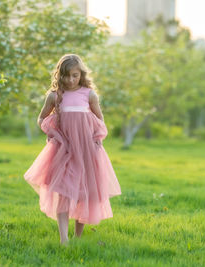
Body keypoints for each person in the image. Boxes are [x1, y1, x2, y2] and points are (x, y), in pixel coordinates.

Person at [23, 54, 122, 245]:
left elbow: (99, 120)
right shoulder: (54, 96)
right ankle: (64, 239)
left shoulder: (89, 95)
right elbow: (41, 118)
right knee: (64, 191)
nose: (70, 80)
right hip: (63, 150)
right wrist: (51, 133)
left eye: (75, 75)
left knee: (83, 192)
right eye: (67, 76)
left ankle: (78, 236)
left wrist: (97, 138)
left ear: (81, 74)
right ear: (60, 75)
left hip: (86, 150)